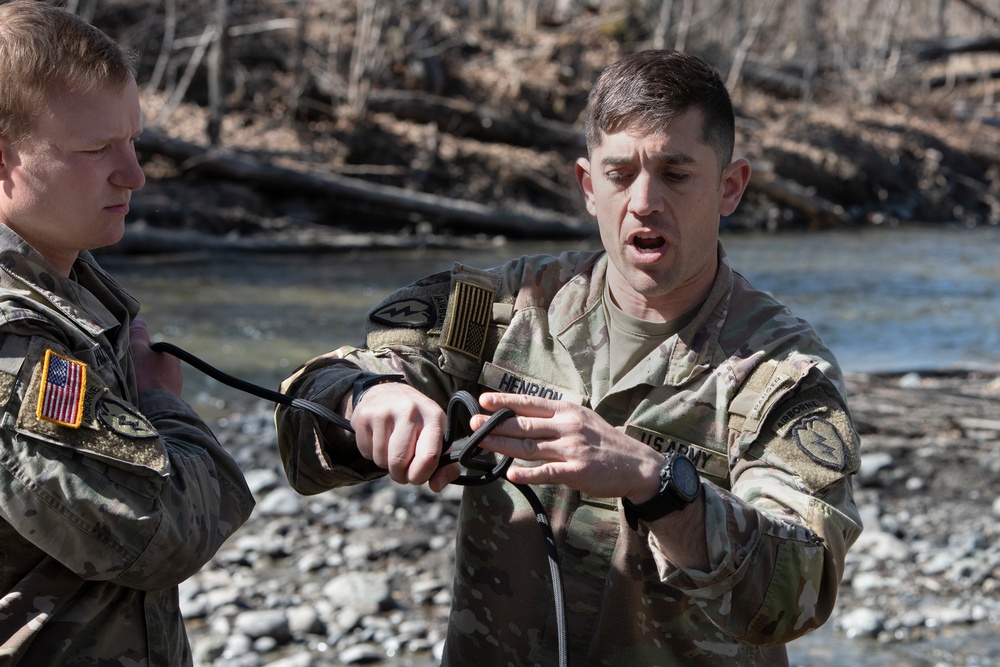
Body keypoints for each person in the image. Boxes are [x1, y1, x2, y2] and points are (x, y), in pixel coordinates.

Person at [275, 49, 863, 665]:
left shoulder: (783, 373)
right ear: (588, 186)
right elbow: (309, 410)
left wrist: (657, 483)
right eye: (619, 174)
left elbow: (797, 587)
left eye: (676, 173)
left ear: (730, 187)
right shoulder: (504, 306)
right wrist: (368, 398)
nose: (643, 201)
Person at [0, 2, 254, 664]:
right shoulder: (15, 345)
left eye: (132, 140)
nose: (134, 175)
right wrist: (164, 403)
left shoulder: (71, 286)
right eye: (95, 150)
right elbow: (162, 534)